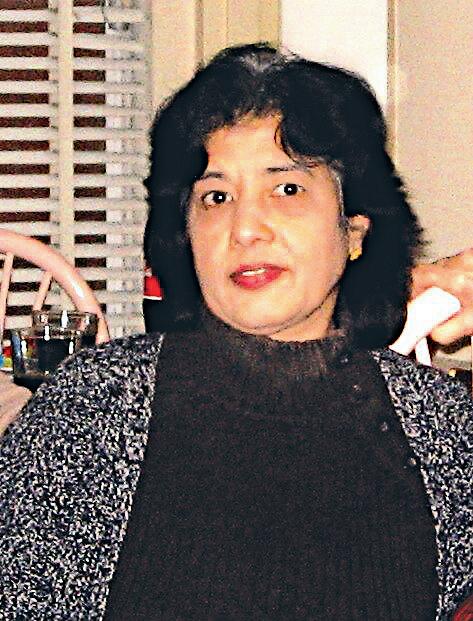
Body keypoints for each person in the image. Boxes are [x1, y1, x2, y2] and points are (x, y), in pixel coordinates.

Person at [0, 43, 471, 619]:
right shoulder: (95, 405)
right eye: (216, 197)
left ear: (354, 228)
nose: (245, 228)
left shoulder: (437, 422)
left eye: (287, 188)